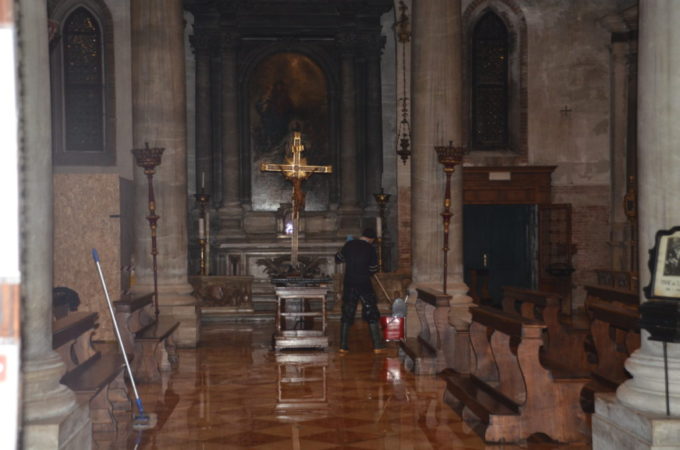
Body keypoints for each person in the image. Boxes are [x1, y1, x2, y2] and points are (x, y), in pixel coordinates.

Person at [335, 228, 386, 354]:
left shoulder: (349, 244)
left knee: (347, 312)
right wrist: (365, 272)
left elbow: (338, 258)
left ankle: (343, 346)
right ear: (371, 239)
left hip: (350, 282)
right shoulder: (370, 248)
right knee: (371, 311)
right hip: (364, 284)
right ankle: (377, 346)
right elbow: (373, 268)